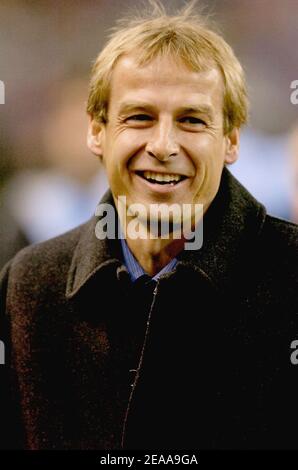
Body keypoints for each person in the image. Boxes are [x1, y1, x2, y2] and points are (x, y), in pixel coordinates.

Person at [0, 1, 297, 450]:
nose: (162, 145)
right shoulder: (29, 288)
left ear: (232, 140)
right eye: (139, 117)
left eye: (191, 120)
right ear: (97, 132)